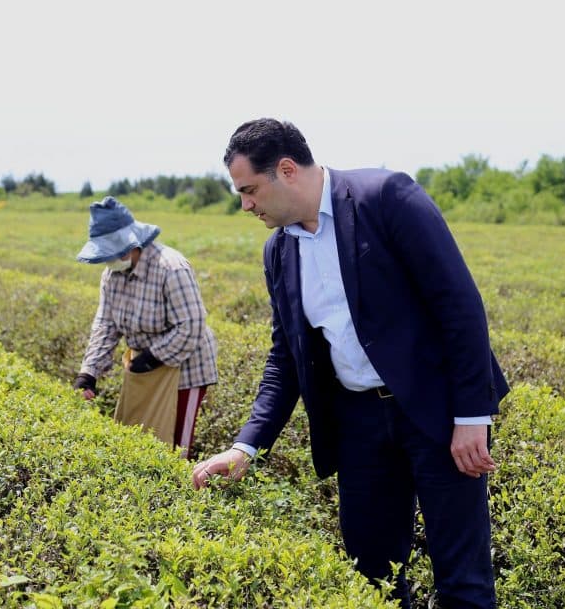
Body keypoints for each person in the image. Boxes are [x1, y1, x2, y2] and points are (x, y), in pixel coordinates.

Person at [193, 119, 509, 608]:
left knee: (462, 578)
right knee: (372, 576)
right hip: (359, 423)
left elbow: (459, 306)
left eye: (250, 190)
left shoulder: (386, 198)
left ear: (286, 170)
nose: (245, 205)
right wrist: (245, 447)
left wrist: (471, 416)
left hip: (435, 411)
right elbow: (286, 358)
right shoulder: (279, 250)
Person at [73, 196, 218, 458]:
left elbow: (191, 325)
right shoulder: (111, 276)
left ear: (132, 244)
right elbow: (106, 324)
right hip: (144, 365)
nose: (110, 261)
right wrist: (89, 372)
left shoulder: (171, 268)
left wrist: (154, 356)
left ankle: (180, 493)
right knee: (139, 440)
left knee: (175, 449)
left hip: (185, 368)